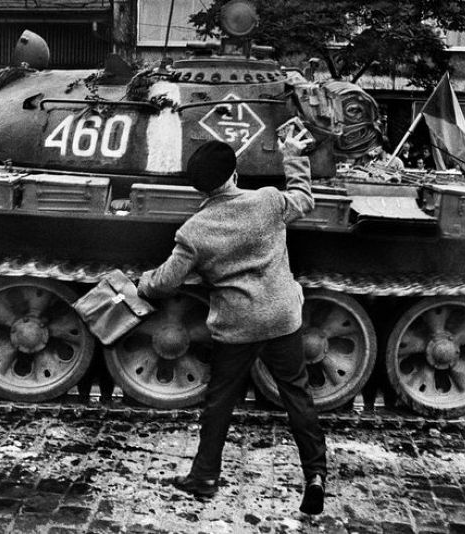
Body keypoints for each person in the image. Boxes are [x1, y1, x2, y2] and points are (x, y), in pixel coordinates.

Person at [137, 132, 327, 515]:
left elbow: (165, 283)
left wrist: (143, 282)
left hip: (237, 327)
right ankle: (315, 476)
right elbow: (304, 198)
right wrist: (293, 156)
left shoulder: (194, 231)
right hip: (282, 319)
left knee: (220, 401)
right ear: (234, 174)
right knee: (297, 394)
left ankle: (205, 477)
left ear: (199, 187)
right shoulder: (268, 201)